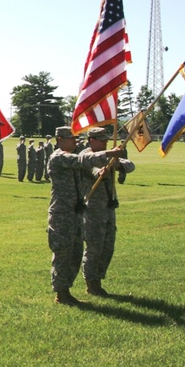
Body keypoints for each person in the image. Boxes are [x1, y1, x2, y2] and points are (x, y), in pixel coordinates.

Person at [47, 126, 124, 305]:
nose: (75, 141)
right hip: (61, 214)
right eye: (71, 138)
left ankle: (67, 290)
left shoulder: (74, 158)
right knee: (63, 253)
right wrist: (108, 153)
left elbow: (89, 167)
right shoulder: (59, 157)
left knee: (75, 253)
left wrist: (104, 167)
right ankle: (61, 293)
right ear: (60, 140)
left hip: (76, 212)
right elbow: (81, 160)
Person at [80, 127, 136, 297]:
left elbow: (130, 166)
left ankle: (99, 278)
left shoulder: (108, 156)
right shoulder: (85, 155)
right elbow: (90, 166)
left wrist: (116, 163)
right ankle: (91, 282)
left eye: (106, 139)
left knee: (108, 246)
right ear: (92, 140)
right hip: (93, 209)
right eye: (102, 139)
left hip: (108, 207)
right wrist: (101, 171)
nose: (105, 142)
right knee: (94, 246)